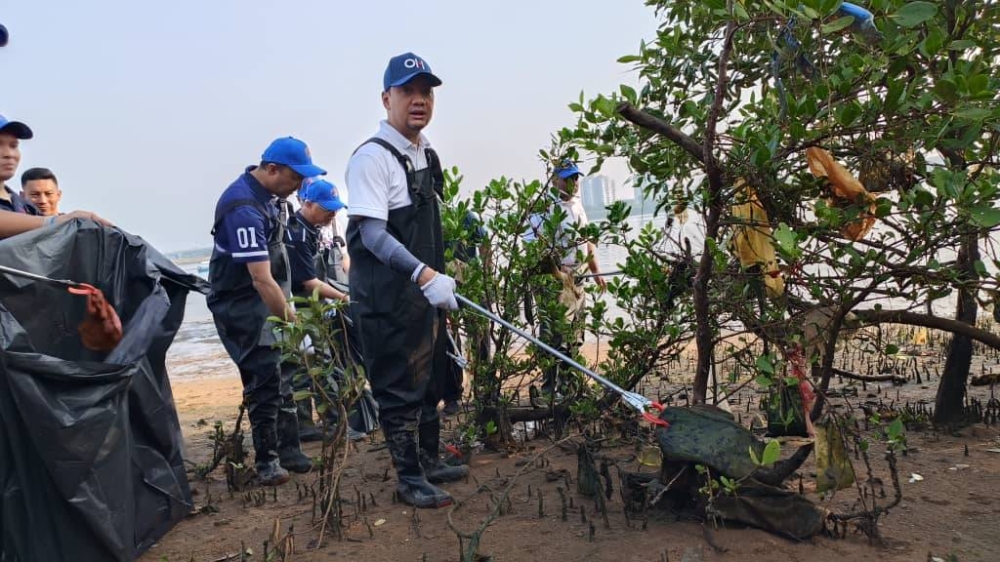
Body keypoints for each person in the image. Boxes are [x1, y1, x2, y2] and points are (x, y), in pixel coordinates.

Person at [344, 52, 468, 509]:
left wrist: (441, 273)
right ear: (386, 98)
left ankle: (430, 460)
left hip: (424, 294)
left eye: (426, 92)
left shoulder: (424, 151)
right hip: (387, 298)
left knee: (432, 378)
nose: (419, 100)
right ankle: (409, 478)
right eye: (407, 91)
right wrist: (422, 272)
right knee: (398, 389)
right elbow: (372, 234)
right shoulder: (371, 160)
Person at [207, 136, 325, 486]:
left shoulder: (273, 198)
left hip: (269, 298)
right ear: (272, 169)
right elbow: (261, 279)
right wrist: (295, 327)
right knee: (263, 377)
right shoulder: (242, 208)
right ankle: (266, 460)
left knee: (285, 372)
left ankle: (290, 449)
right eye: (295, 177)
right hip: (242, 304)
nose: (300, 185)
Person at [281, 178, 365, 443]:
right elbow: (309, 281)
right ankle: (329, 426)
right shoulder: (298, 234)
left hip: (316, 305)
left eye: (335, 208)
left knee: (315, 364)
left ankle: (316, 424)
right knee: (316, 364)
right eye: (327, 207)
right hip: (301, 308)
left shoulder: (314, 228)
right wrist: (344, 297)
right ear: (307, 203)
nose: (333, 213)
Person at [523, 161, 606, 401]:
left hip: (578, 279)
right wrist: (559, 276)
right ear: (555, 180)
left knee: (575, 334)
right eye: (568, 178)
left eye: (576, 178)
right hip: (555, 281)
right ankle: (550, 389)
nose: (573, 183)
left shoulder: (577, 204)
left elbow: (587, 239)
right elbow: (535, 250)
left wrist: (596, 272)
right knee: (554, 336)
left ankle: (570, 386)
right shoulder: (543, 208)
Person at [0, 114, 110, 237]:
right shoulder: (41, 219)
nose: (9, 154)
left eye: (14, 146)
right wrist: (56, 221)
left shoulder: (24, 206)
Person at [440, 209, 489, 415]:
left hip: (471, 282)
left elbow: (485, 243)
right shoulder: (423, 221)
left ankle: (484, 390)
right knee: (448, 339)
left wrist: (486, 277)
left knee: (480, 336)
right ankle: (453, 394)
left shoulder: (464, 216)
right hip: (443, 284)